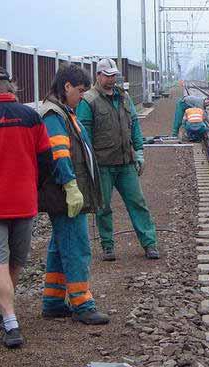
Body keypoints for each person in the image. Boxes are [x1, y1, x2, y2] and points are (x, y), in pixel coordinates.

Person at [0, 66, 51, 347]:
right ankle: (4, 313)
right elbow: (47, 160)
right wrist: (31, 185)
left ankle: (8, 319)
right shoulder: (31, 116)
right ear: (12, 87)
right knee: (16, 259)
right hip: (24, 200)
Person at [37, 64, 109, 325]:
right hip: (65, 194)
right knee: (77, 247)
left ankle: (54, 301)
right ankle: (82, 304)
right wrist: (70, 186)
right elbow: (59, 153)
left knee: (59, 247)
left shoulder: (64, 111)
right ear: (66, 86)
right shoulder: (54, 115)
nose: (82, 96)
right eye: (80, 91)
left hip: (66, 193)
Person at [76, 58, 159, 262]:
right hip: (102, 164)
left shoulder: (124, 97)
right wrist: (88, 164)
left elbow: (134, 125)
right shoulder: (88, 101)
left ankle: (149, 243)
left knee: (138, 202)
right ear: (98, 75)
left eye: (114, 76)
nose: (112, 79)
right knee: (103, 207)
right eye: (108, 76)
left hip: (126, 162)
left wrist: (139, 151)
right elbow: (83, 135)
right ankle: (107, 246)